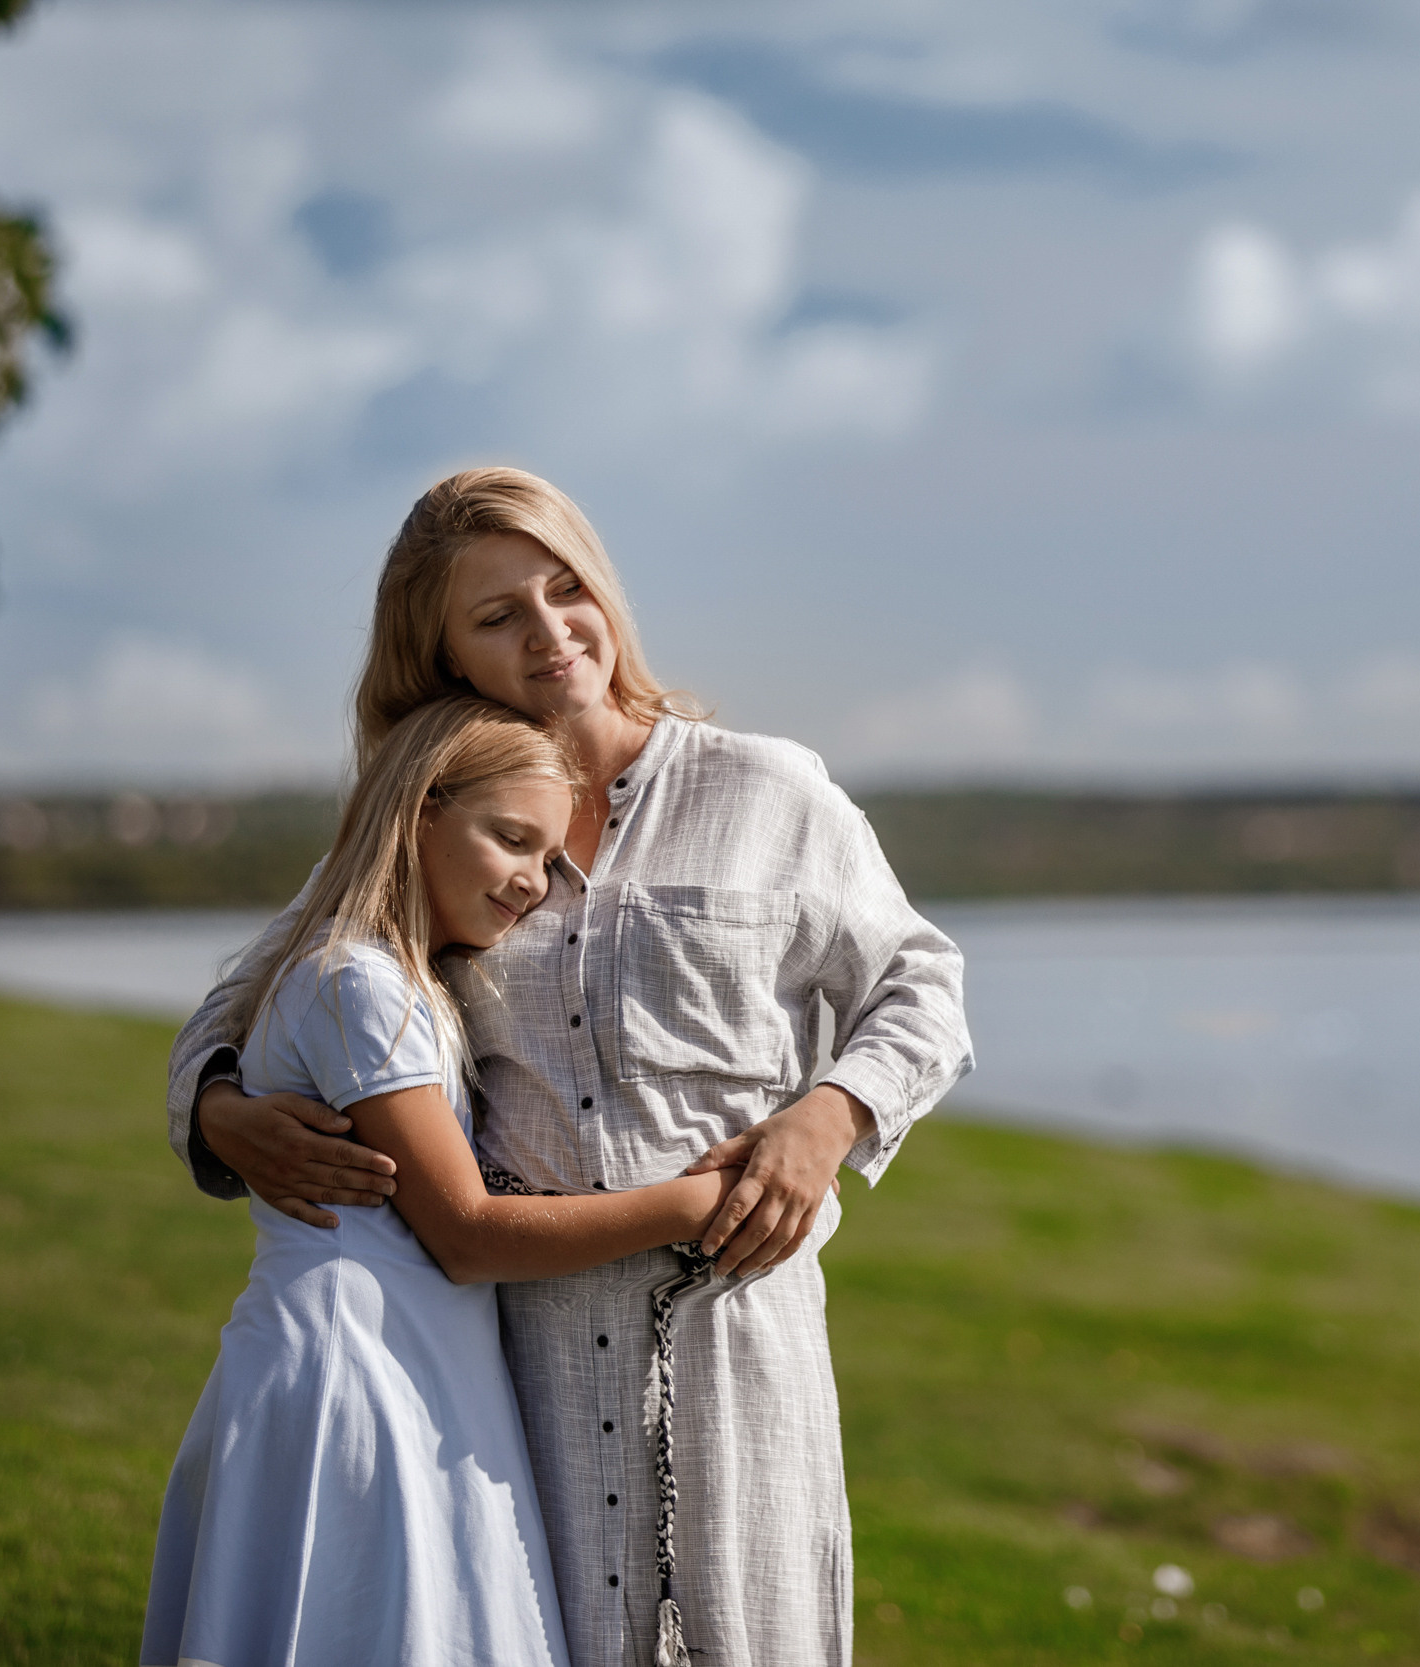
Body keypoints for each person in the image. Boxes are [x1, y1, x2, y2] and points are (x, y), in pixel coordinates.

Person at [165, 466, 973, 1667]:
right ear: (441, 656)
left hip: (739, 1355)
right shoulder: (440, 818)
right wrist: (221, 1109)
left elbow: (923, 983)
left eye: (567, 589)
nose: (550, 633)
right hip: (524, 1385)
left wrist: (828, 1116)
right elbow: (244, 998)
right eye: (498, 615)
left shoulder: (769, 791)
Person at [142, 695, 744, 1667]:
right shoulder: (357, 983)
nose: (532, 882)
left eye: (549, 859)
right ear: (421, 808)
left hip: (412, 1363)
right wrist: (696, 1202)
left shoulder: (399, 979)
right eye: (511, 839)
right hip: (352, 1378)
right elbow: (464, 1232)